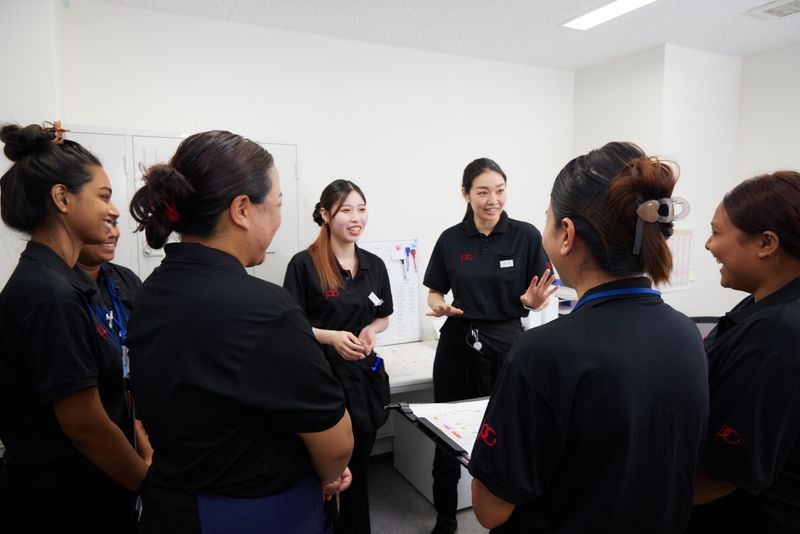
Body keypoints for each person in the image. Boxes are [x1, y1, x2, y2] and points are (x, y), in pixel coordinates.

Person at [468, 142, 709, 533]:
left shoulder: (543, 352)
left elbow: (489, 510)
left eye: (547, 220)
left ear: (566, 234)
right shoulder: (686, 333)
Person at [126, 130, 354, 533]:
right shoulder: (265, 310)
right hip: (253, 515)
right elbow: (335, 447)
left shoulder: (149, 292)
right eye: (278, 204)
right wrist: (329, 472)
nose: (279, 219)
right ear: (242, 210)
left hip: (171, 506)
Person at [0, 122, 149, 531]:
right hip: (62, 503)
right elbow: (86, 427)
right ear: (62, 198)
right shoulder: (49, 294)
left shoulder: (60, 282)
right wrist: (151, 487)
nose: (114, 210)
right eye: (104, 196)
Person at [423, 157, 555, 534]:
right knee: (445, 432)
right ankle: (446, 516)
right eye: (482, 192)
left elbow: (541, 292)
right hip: (457, 341)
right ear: (465, 194)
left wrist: (534, 302)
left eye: (499, 191)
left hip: (506, 342)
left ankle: (503, 516)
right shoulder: (451, 239)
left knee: (505, 431)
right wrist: (439, 305)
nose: (492, 200)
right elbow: (434, 292)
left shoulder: (525, 235)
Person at [687, 171, 800, 533]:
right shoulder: (761, 306)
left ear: (766, 243)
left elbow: (724, 474)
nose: (709, 245)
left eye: (717, 233)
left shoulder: (777, 334)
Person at [283, 179, 393, 534]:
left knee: (359, 474)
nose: (356, 217)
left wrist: (371, 329)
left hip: (363, 380)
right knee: (325, 478)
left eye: (361, 209)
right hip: (322, 382)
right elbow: (292, 326)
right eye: (346, 210)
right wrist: (331, 338)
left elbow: (383, 316)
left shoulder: (375, 265)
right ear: (326, 215)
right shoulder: (304, 265)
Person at [76, 216, 153, 464]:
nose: (113, 233)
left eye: (114, 223)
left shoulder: (125, 279)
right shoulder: (59, 292)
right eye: (104, 223)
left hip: (138, 417)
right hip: (92, 434)